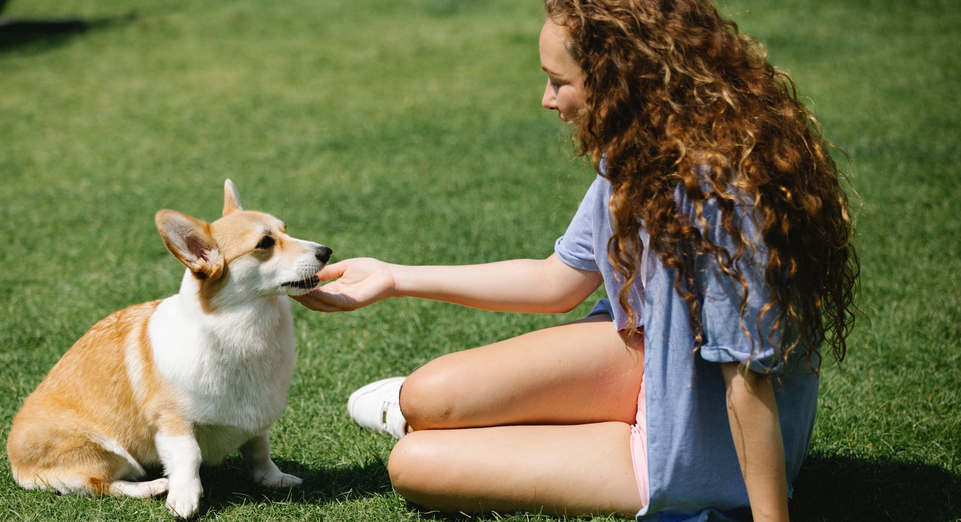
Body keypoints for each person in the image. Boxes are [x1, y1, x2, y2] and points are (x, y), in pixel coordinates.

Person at [296, 0, 859, 520]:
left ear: (620, 80)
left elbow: (746, 379)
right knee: (423, 396)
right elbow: (557, 279)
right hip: (649, 357)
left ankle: (570, 432)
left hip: (696, 442)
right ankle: (440, 411)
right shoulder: (634, 151)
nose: (547, 99)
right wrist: (394, 278)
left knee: (414, 465)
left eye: (558, 81)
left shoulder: (713, 191)